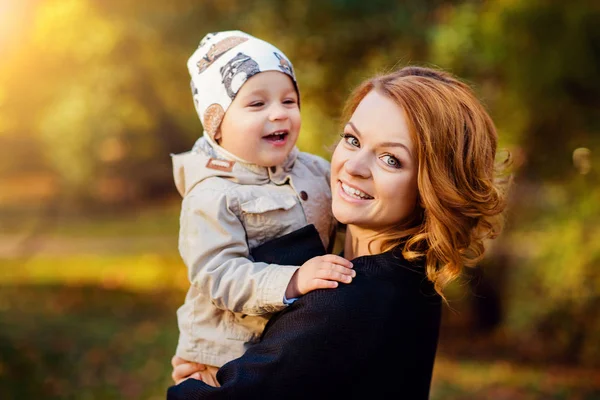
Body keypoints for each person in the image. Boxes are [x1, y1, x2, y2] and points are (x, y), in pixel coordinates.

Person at [168, 65, 509, 399]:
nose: (354, 167)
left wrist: (195, 385)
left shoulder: (341, 301)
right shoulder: (413, 275)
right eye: (352, 139)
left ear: (433, 186)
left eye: (391, 159)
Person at [171, 30, 355, 387]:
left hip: (287, 342)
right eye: (257, 104)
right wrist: (294, 279)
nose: (279, 114)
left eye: (289, 101)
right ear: (217, 127)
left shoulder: (313, 170)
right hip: (222, 356)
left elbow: (354, 216)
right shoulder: (211, 194)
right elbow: (218, 274)